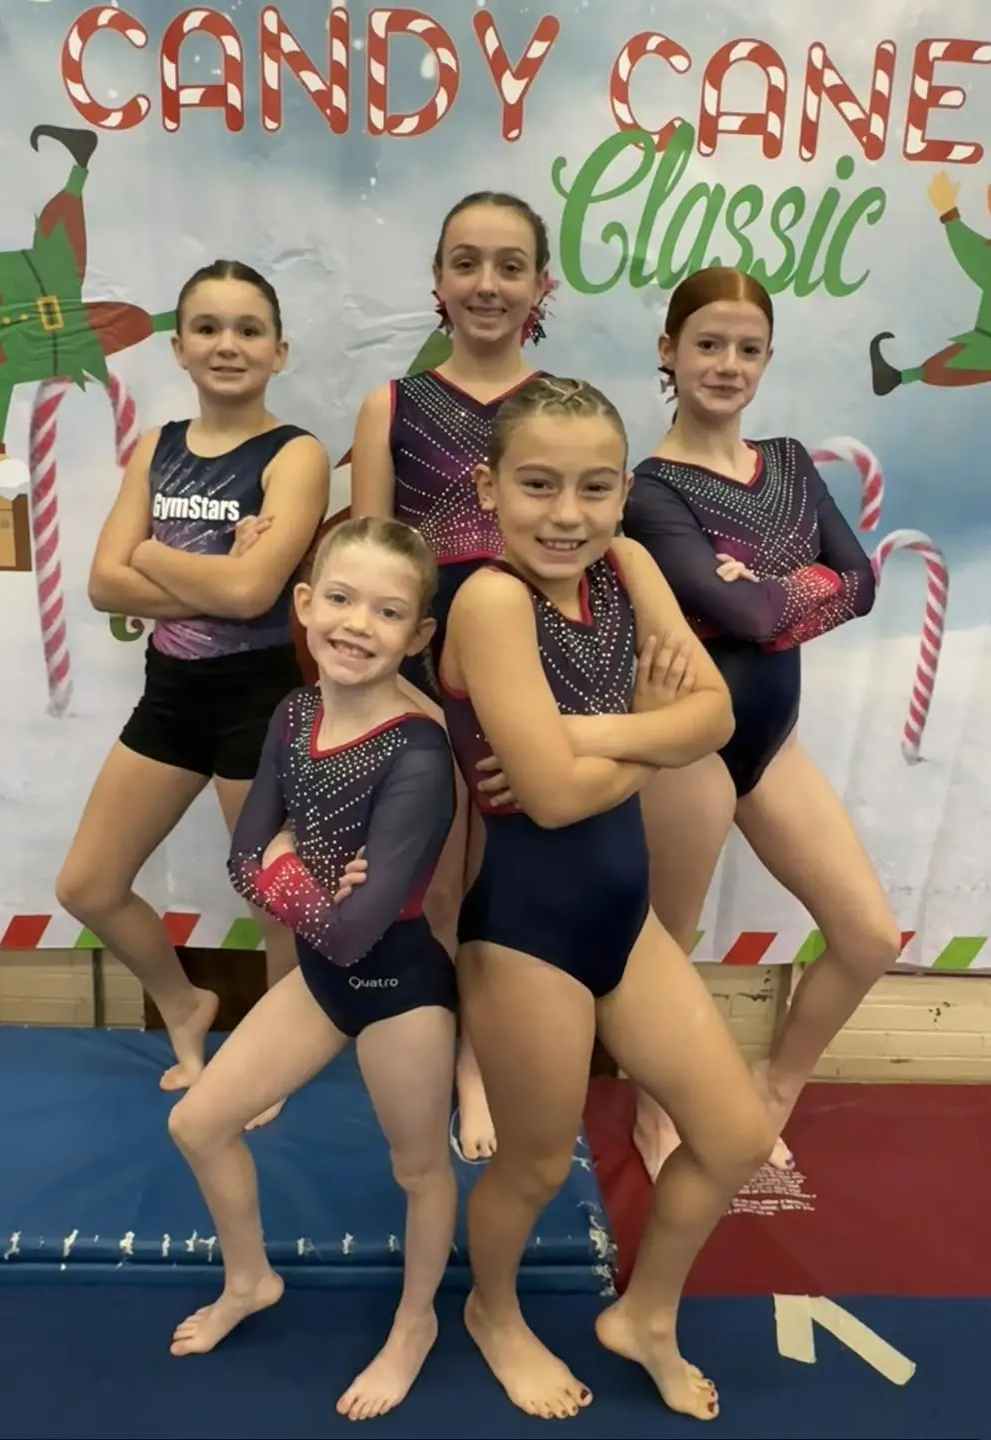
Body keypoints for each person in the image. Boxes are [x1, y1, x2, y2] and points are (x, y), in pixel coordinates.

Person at [438, 375, 773, 1423]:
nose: (567, 513)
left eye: (593, 487)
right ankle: (491, 1311)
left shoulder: (627, 566)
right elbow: (543, 797)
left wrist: (587, 731)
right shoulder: (490, 599)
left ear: (623, 492)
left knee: (732, 1138)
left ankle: (647, 1315)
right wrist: (648, 732)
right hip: (525, 936)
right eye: (537, 484)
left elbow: (715, 717)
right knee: (536, 1166)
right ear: (489, 489)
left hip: (624, 926)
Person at [167, 516, 459, 1424]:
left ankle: (416, 1322)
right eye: (340, 599)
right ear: (304, 604)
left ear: (418, 634)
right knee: (197, 1124)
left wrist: (288, 865)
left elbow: (357, 931)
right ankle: (249, 1279)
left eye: (387, 611)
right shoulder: (295, 715)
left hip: (398, 990)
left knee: (419, 1171)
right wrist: (299, 877)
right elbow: (241, 858)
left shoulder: (419, 750)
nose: (357, 624)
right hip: (323, 983)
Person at [623, 265, 901, 1180]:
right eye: (708, 345)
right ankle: (655, 1107)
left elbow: (862, 583)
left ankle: (773, 1088)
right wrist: (792, 589)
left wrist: (775, 593)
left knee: (868, 936)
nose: (727, 365)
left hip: (771, 742)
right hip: (688, 747)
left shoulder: (787, 462)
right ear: (669, 352)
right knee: (667, 948)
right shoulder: (651, 489)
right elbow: (740, 615)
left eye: (748, 349)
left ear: (768, 360)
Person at [56, 259, 330, 1127]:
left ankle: (273, 1058)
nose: (227, 344)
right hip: (171, 696)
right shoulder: (158, 447)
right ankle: (185, 1004)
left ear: (279, 350)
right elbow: (102, 583)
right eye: (207, 328)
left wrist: (152, 555)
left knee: (273, 898)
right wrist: (215, 574)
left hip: (259, 700)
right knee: (88, 884)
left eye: (249, 329)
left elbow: (254, 595)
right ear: (177, 348)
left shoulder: (295, 455)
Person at [350, 191, 555, 1161]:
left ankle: (485, 1055)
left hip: (531, 682)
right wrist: (391, 702)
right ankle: (445, 1061)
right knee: (434, 889)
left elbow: (592, 555)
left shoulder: (559, 410)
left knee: (504, 891)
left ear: (540, 286)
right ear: (436, 279)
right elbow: (368, 572)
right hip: (424, 685)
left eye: (509, 266)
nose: (486, 284)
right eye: (465, 262)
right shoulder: (392, 406)